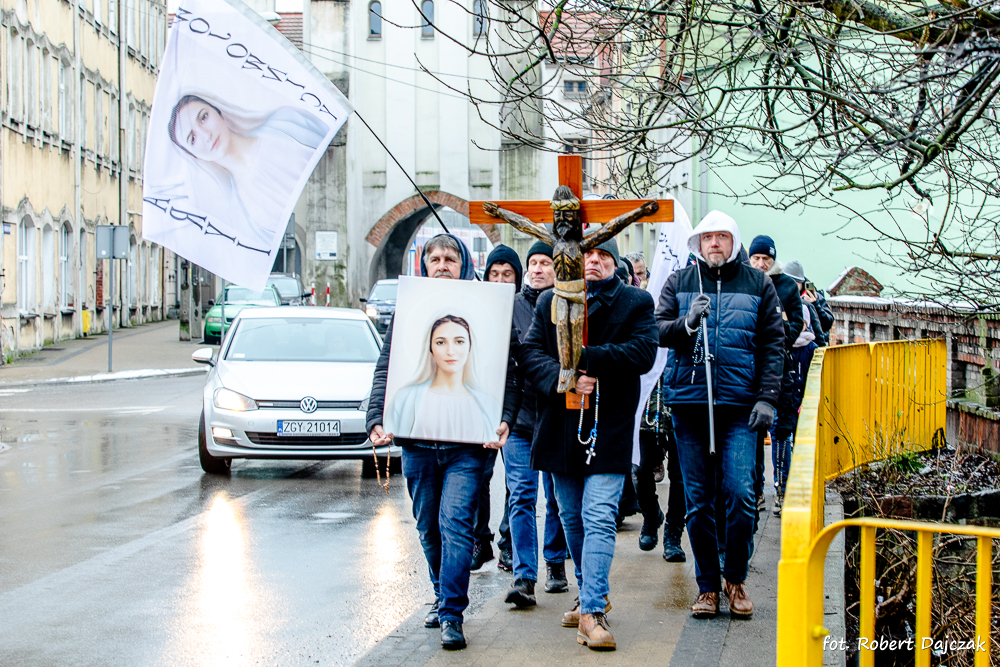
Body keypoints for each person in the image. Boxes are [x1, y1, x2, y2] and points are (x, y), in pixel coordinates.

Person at [367, 234, 521, 651]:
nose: (441, 265)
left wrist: (504, 419)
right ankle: (441, 593)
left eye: (450, 258)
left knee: (455, 525)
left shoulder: (488, 309)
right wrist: (377, 417)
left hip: (467, 447)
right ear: (423, 265)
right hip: (418, 443)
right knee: (427, 527)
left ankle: (452, 613)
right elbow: (387, 368)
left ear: (464, 265)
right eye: (433, 258)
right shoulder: (409, 311)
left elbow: (508, 374)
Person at [522, 234, 658, 650]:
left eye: (603, 255)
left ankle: (593, 611)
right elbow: (530, 354)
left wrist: (586, 359)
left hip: (608, 426)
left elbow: (643, 352)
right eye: (588, 255)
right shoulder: (549, 301)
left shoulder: (635, 302)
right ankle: (587, 593)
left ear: (615, 263)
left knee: (599, 515)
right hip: (560, 427)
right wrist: (564, 378)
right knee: (572, 517)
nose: (594, 261)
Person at [656, 211, 784, 620]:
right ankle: (708, 586)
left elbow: (773, 343)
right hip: (690, 404)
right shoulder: (680, 282)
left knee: (741, 494)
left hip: (739, 406)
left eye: (722, 237)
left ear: (733, 241)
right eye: (707, 237)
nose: (714, 243)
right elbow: (657, 330)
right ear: (698, 242)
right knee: (698, 501)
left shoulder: (758, 284)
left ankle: (735, 578)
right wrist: (687, 323)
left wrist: (767, 399)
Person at [503, 241, 571, 608]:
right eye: (533, 262)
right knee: (521, 495)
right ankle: (524, 577)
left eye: (546, 262)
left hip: (556, 415)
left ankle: (556, 562)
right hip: (519, 418)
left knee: (557, 496)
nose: (538, 268)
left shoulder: (567, 304)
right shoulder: (510, 306)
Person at [168, 94, 327, 247]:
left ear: (218, 111)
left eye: (204, 117)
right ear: (194, 156)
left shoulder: (285, 122)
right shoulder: (241, 214)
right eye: (193, 138)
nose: (206, 135)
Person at [747, 236, 804, 518]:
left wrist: (780, 339)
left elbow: (798, 322)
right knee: (753, 432)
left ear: (773, 260)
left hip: (781, 367)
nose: (761, 264)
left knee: (782, 431)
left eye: (766, 259)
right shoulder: (744, 281)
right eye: (756, 259)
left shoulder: (786, 286)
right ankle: (756, 491)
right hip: (750, 368)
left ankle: (781, 490)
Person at [473, 245, 521, 572]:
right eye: (495, 274)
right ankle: (480, 539)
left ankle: (509, 541)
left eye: (507, 274)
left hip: (519, 405)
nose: (501, 280)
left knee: (515, 482)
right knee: (479, 475)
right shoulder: (477, 309)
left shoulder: (526, 307)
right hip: (484, 402)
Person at [387, 315, 501, 442]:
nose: (450, 351)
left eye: (459, 342)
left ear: (470, 346)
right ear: (430, 347)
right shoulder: (405, 398)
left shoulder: (488, 404)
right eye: (440, 342)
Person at [633, 375, 687, 561]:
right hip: (647, 403)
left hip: (682, 397)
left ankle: (673, 535)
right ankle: (651, 515)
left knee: (680, 476)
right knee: (639, 470)